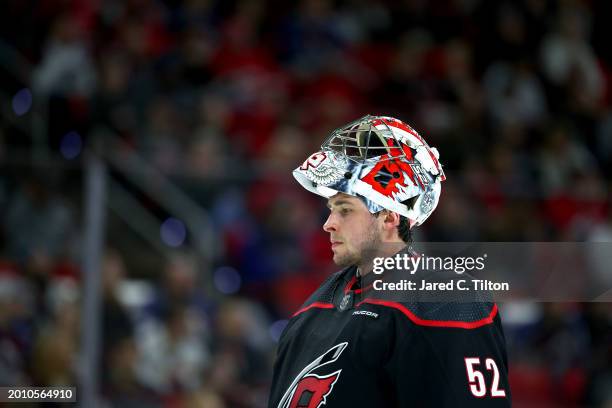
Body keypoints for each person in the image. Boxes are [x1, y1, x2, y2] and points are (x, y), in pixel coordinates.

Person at [268, 115, 511, 407]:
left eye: (345, 210)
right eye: (331, 208)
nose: (328, 223)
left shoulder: (449, 301)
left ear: (389, 217)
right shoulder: (312, 309)